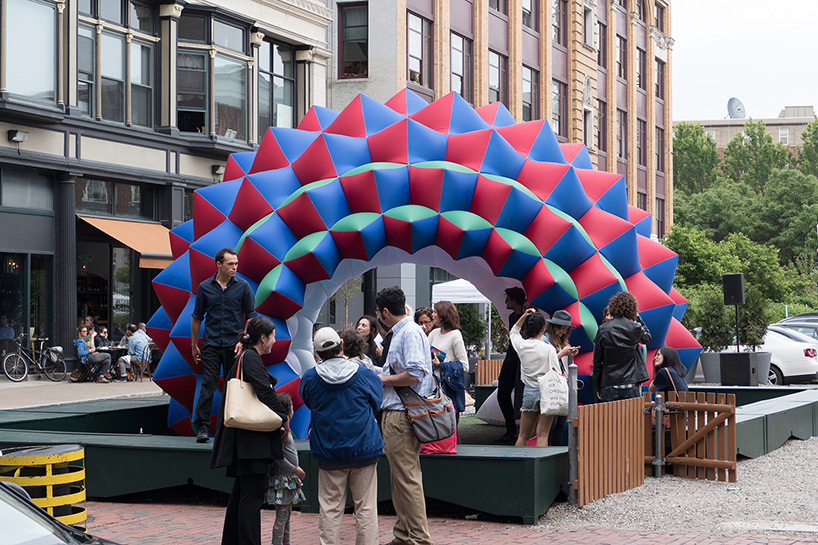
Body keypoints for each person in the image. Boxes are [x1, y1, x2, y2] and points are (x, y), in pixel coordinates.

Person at [300, 327, 384, 545]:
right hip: (364, 447)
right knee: (365, 507)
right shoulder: (364, 374)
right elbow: (377, 403)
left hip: (329, 450)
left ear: (317, 352)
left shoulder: (310, 378)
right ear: (341, 345)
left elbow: (309, 402)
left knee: (329, 507)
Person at [211, 316, 289, 545]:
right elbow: (265, 392)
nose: (275, 341)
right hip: (252, 441)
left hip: (244, 440)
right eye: (272, 336)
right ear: (262, 338)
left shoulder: (246, 356)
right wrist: (283, 418)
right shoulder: (251, 358)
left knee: (242, 495)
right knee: (250, 498)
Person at [375, 286, 433, 545]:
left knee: (407, 479)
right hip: (398, 412)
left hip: (402, 414)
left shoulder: (407, 333)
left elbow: (416, 373)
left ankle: (419, 539)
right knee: (401, 478)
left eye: (378, 312)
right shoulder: (407, 331)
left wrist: (382, 379)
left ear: (385, 312)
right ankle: (404, 534)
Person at [192, 248, 257, 443]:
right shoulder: (205, 287)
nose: (234, 267)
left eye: (236, 264)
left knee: (234, 387)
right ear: (218, 264)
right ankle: (202, 427)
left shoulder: (243, 286)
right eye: (230, 264)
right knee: (208, 384)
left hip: (234, 345)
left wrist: (243, 341)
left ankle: (232, 428)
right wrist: (194, 344)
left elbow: (251, 316)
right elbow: (197, 318)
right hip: (211, 343)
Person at [511, 308, 561, 447]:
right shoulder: (549, 348)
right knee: (543, 434)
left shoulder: (522, 345)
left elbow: (513, 332)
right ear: (543, 329)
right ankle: (541, 468)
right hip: (546, 391)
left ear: (527, 329)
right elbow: (556, 371)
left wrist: (523, 316)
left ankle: (518, 465)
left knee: (523, 435)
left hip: (529, 391)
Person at [593, 292, 652, 402]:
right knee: (632, 419)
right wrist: (638, 319)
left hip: (609, 383)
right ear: (632, 309)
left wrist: (598, 386)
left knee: (609, 419)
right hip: (630, 383)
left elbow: (597, 361)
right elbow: (647, 337)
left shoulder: (603, 329)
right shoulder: (635, 328)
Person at [264, 393, 306, 545]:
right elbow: (278, 457)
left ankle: (285, 542)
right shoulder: (281, 432)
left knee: (287, 515)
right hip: (283, 480)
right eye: (292, 407)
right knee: (281, 517)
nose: (294, 410)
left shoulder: (285, 430)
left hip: (288, 479)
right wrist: (294, 469)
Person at [542, 310, 579, 446]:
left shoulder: (562, 342)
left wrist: (570, 355)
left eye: (566, 329)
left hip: (563, 386)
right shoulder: (545, 340)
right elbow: (544, 362)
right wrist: (561, 354)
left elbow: (564, 366)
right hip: (551, 387)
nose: (563, 332)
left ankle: (556, 455)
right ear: (554, 327)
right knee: (550, 426)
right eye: (561, 329)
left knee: (560, 424)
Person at [496, 287, 527, 444]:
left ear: (515, 300)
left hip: (522, 359)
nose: (505, 301)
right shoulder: (512, 317)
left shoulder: (527, 315)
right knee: (502, 393)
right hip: (511, 358)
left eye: (508, 298)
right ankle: (512, 429)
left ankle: (521, 432)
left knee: (523, 396)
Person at [428, 301, 468, 418]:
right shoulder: (434, 333)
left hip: (448, 390)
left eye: (435, 312)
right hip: (432, 389)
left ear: (443, 315)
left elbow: (465, 366)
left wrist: (441, 365)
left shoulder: (455, 335)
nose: (432, 315)